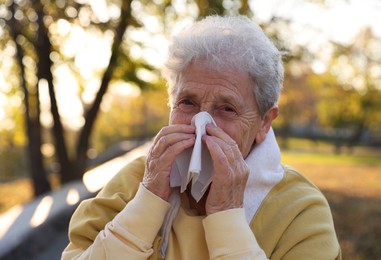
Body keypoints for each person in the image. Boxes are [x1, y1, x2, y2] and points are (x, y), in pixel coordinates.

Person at [62, 15, 341, 259]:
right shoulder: (137, 179)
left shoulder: (301, 211)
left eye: (227, 109)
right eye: (187, 103)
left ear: (264, 123)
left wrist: (227, 216)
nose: (202, 125)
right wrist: (146, 203)